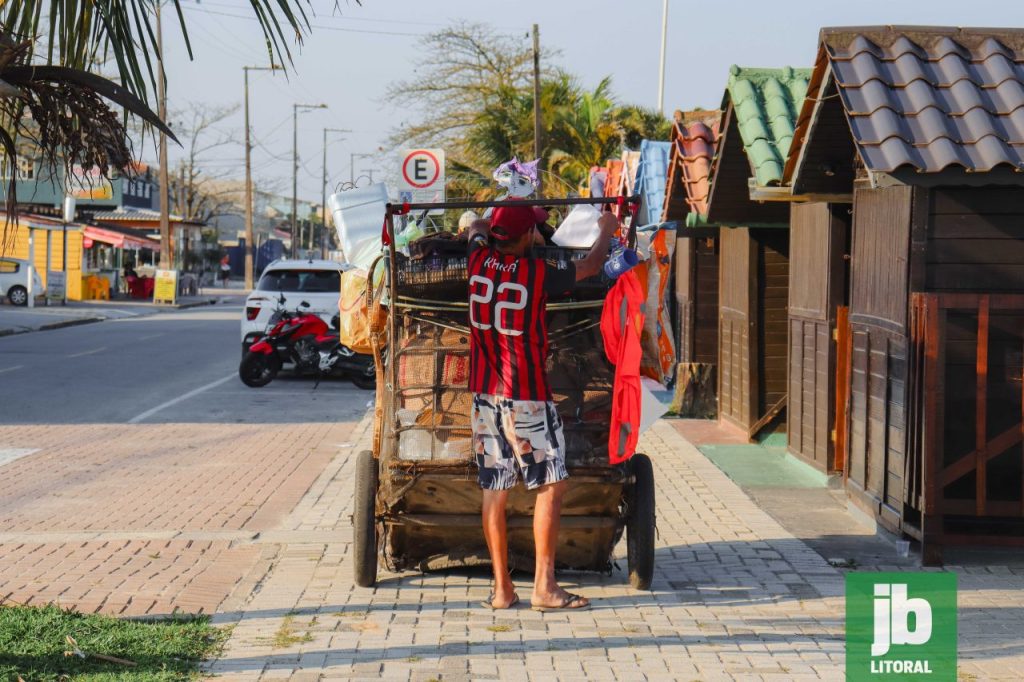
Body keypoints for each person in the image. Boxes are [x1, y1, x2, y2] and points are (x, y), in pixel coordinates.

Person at [467, 203, 618, 611]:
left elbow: (477, 228)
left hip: (484, 396)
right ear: (522, 239)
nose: (538, 233)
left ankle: (501, 590)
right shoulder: (535, 275)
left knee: (494, 490)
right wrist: (606, 228)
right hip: (526, 395)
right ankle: (544, 587)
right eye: (533, 230)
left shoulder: (477, 260)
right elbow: (589, 267)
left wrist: (488, 225)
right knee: (551, 484)